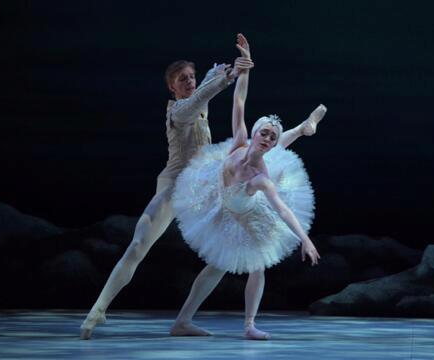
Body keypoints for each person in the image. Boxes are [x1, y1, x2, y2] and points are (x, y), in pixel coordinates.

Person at [80, 34, 326, 340]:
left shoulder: (199, 100)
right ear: (171, 86)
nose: (189, 82)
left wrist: (239, 65)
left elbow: (219, 93)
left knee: (223, 257)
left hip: (207, 188)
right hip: (175, 185)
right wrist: (229, 76)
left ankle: (183, 321)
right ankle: (97, 311)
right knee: (139, 244)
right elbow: (204, 97)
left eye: (192, 77)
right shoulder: (177, 111)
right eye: (182, 79)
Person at [170, 34, 324, 340]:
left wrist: (305, 239)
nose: (266, 139)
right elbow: (239, 102)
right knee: (215, 265)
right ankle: (182, 322)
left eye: (270, 137)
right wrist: (246, 65)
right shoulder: (240, 141)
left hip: (250, 213)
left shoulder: (261, 176)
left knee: (258, 262)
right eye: (264, 134)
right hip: (222, 200)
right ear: (256, 133)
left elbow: (281, 209)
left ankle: (249, 325)